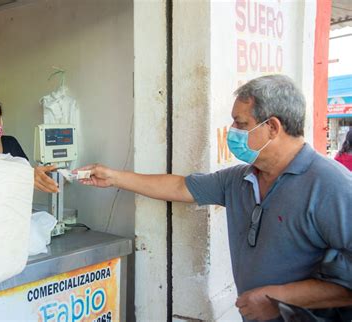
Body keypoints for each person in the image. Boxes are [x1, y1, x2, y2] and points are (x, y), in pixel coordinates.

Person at [77, 75, 352, 321]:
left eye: (241, 123)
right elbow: (181, 187)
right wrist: (113, 177)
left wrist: (280, 298)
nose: (231, 130)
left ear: (273, 127)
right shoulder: (240, 179)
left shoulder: (331, 186)